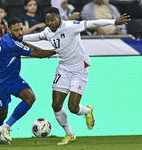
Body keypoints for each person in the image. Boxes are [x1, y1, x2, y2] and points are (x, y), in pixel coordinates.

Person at [23, 7, 130, 145]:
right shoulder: (48, 32)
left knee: (73, 107)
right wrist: (18, 38)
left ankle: (87, 111)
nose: (50, 23)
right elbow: (36, 37)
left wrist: (114, 21)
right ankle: (69, 134)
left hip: (80, 69)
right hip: (63, 69)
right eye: (47, 20)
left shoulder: (70, 26)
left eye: (52, 20)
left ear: (59, 19)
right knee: (56, 105)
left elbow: (92, 23)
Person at [0, 17, 56, 145]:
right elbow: (39, 54)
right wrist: (59, 50)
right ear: (9, 31)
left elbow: (26, 45)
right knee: (2, 113)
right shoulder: (10, 44)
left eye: (21, 29)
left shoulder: (13, 39)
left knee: (30, 98)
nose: (20, 32)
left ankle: (6, 126)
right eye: (16, 30)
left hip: (13, 79)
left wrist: (48, 51)